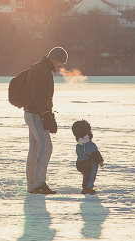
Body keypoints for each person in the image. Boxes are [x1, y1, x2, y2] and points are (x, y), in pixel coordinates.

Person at [23, 46, 68, 195]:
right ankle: (38, 184)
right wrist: (45, 114)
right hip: (36, 114)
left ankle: (33, 185)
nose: (61, 66)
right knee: (46, 147)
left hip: (34, 113)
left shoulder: (42, 69)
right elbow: (37, 95)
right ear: (55, 59)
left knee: (35, 150)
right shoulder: (42, 71)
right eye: (61, 63)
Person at [71, 119, 104, 195]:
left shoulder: (79, 143)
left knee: (86, 176)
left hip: (80, 162)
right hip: (89, 163)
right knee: (90, 176)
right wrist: (100, 161)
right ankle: (87, 188)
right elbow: (94, 153)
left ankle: (86, 187)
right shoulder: (89, 144)